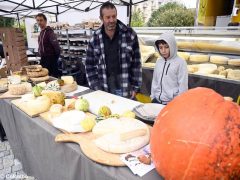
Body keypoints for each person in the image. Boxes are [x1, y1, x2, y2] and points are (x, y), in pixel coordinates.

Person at [85, 2, 142, 98]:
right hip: (103, 86)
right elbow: (89, 66)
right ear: (101, 18)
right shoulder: (94, 39)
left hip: (124, 85)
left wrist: (135, 87)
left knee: (124, 112)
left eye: (114, 16)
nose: (111, 20)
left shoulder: (130, 34)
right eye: (108, 17)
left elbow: (136, 63)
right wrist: (95, 86)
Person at [150, 32, 188, 105]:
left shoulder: (180, 62)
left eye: (166, 47)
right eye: (160, 47)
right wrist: (152, 97)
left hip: (171, 103)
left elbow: (183, 87)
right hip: (156, 101)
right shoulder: (158, 61)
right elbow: (155, 81)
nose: (163, 51)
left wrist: (178, 104)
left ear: (172, 46)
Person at [36, 13, 60, 77]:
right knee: (44, 76)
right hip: (43, 58)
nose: (39, 22)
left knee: (52, 77)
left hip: (51, 59)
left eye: (41, 20)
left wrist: (55, 58)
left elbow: (56, 47)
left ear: (45, 21)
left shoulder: (50, 32)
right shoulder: (41, 32)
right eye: (37, 20)